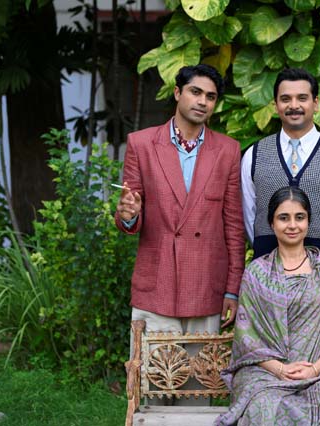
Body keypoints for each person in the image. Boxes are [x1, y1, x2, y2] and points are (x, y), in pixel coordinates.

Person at [115, 64, 244, 368]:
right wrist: (129, 215)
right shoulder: (142, 144)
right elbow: (128, 213)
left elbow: (234, 226)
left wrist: (232, 289)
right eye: (195, 92)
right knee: (153, 386)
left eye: (210, 97)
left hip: (206, 285)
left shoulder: (227, 150)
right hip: (157, 282)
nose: (202, 101)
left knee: (197, 391)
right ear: (177, 93)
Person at [216, 186, 320, 426]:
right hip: (265, 371)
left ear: (308, 222)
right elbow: (246, 338)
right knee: (264, 408)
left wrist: (315, 369)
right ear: (272, 224)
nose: (292, 225)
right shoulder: (257, 273)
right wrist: (280, 369)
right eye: (284, 218)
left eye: (299, 217)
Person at [241, 68, 320, 264]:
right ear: (275, 105)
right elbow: (248, 213)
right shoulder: (254, 155)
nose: (294, 105)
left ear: (315, 104)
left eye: (302, 98)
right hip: (267, 268)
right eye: (286, 99)